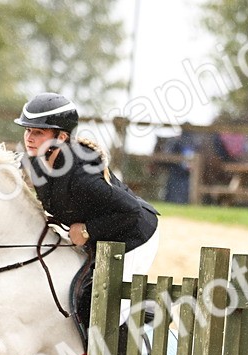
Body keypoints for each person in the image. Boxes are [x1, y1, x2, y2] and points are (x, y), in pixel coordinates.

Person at [15, 93, 159, 276]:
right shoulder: (34, 163)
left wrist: (86, 230)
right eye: (27, 130)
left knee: (101, 297)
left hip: (134, 236)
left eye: (38, 132)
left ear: (61, 137)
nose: (29, 138)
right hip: (99, 238)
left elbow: (131, 211)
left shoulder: (82, 177)